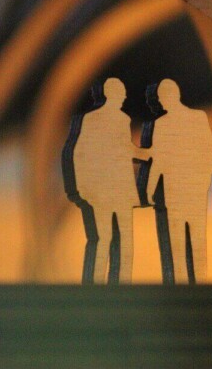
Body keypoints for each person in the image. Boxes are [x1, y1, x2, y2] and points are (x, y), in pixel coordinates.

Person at [66, 77, 139, 283]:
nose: (124, 97)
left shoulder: (123, 120)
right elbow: (79, 153)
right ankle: (95, 285)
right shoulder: (92, 120)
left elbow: (126, 150)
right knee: (103, 238)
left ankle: (120, 286)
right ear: (111, 95)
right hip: (103, 191)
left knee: (122, 241)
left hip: (121, 191)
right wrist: (82, 188)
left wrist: (147, 154)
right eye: (121, 93)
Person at [144, 79, 212, 283]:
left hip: (181, 191)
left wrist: (150, 188)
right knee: (189, 241)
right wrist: (203, 181)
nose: (161, 102)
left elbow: (209, 153)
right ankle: (191, 286)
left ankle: (187, 285)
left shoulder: (172, 122)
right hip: (185, 191)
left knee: (182, 242)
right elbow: (210, 153)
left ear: (168, 97)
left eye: (161, 98)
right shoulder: (195, 118)